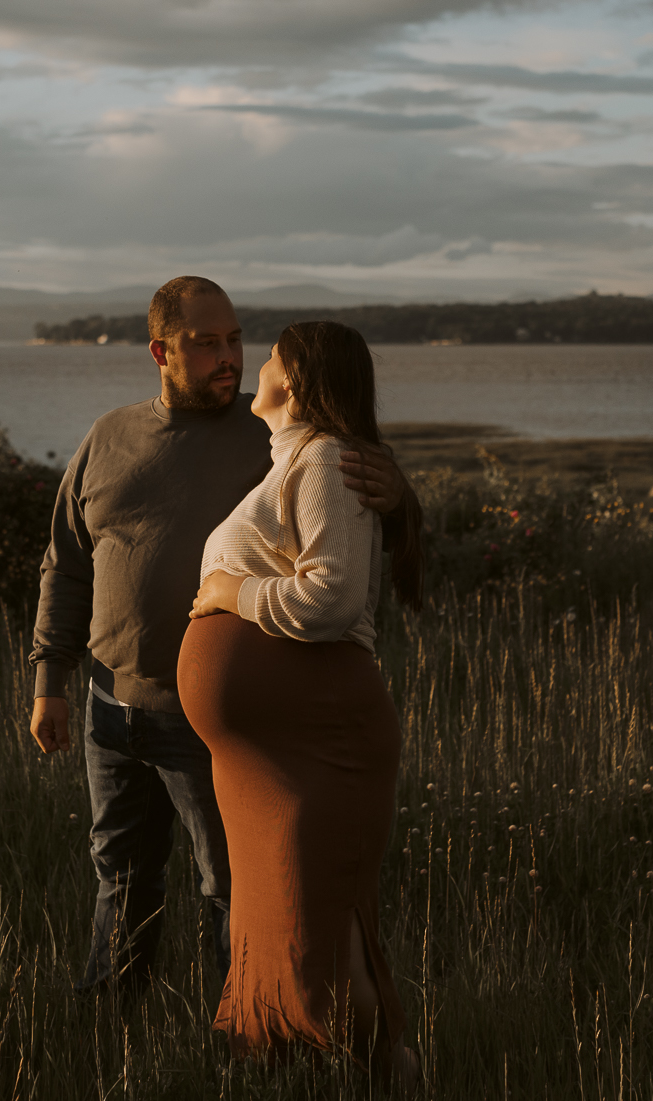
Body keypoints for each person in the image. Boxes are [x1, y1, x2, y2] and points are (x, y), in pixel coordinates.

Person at [28, 278, 411, 1001]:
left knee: (233, 885)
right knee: (119, 875)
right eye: (207, 343)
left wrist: (396, 493)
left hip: (208, 722)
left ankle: (240, 1027)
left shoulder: (276, 435)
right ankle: (112, 1019)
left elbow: (342, 508)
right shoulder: (108, 438)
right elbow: (66, 561)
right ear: (161, 351)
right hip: (109, 707)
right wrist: (51, 678)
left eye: (236, 339)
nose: (230, 357)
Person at [178, 320, 422, 1085]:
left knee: (318, 913)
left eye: (273, 356)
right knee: (281, 914)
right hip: (268, 756)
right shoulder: (291, 460)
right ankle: (301, 1068)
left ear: (301, 376)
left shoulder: (322, 458)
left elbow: (331, 596)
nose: (258, 365)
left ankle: (375, 1072)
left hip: (318, 742)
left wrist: (228, 591)